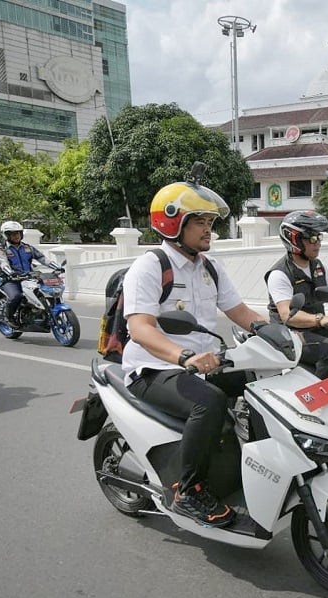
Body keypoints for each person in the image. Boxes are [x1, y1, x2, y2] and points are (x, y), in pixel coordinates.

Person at [122, 179, 268, 528]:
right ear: (174, 222)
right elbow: (139, 328)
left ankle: (261, 465)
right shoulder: (151, 266)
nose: (209, 230)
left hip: (201, 364)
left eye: (210, 222)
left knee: (261, 383)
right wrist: (182, 356)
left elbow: (241, 313)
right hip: (153, 370)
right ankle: (187, 491)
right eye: (200, 222)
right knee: (210, 402)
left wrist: (278, 333)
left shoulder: (210, 268)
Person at [264, 210, 328, 411]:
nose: (317, 243)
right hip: (289, 334)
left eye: (319, 237)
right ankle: (322, 407)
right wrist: (321, 319)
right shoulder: (279, 273)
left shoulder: (317, 266)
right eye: (312, 237)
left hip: (315, 327)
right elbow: (287, 314)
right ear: (294, 239)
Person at [0, 220, 60, 326]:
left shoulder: (27, 248)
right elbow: (2, 263)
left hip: (28, 278)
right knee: (16, 296)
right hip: (10, 280)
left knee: (43, 292)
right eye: (13, 234)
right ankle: (8, 318)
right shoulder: (2, 250)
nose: (16, 236)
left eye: (18, 233)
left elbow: (42, 258)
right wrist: (11, 273)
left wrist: (57, 267)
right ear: (6, 235)